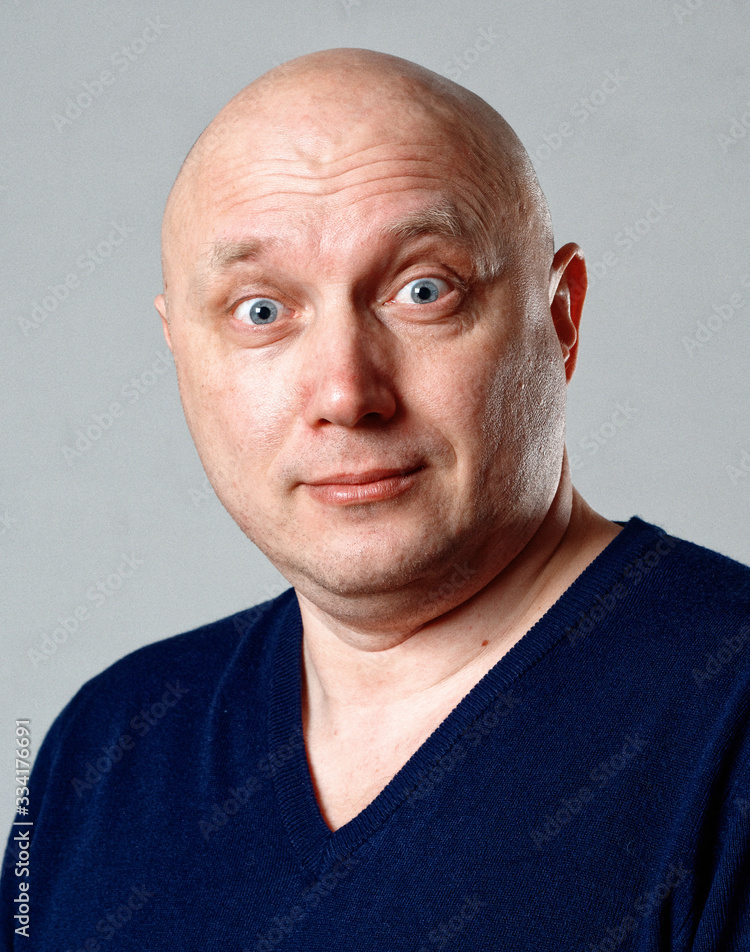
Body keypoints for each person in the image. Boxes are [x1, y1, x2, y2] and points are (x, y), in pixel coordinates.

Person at [2, 48, 749, 951]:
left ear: (560, 319)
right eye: (261, 311)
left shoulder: (726, 722)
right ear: (179, 350)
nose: (346, 393)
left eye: (423, 291)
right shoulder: (105, 750)